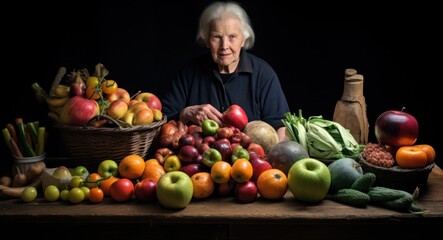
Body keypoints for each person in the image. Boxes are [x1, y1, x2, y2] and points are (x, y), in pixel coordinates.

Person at [161, 1, 290, 141]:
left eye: (232, 37)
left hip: (250, 161)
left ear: (243, 39)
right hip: (198, 160)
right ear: (206, 39)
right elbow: (162, 118)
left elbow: (280, 127)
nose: (224, 46)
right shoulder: (189, 72)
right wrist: (185, 113)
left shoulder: (264, 74)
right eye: (216, 37)